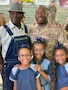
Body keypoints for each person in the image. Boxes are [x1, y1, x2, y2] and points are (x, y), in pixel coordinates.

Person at [28, 5, 68, 90]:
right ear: (35, 15)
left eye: (43, 12)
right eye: (38, 13)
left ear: (47, 14)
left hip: (52, 69)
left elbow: (66, 46)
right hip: (35, 68)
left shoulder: (56, 29)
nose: (40, 15)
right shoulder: (32, 31)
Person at [0, 2, 31, 90]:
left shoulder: (26, 29)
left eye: (18, 13)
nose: (15, 15)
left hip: (25, 65)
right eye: (13, 13)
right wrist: (0, 63)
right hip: (9, 66)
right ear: (9, 14)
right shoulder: (2, 30)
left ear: (22, 15)